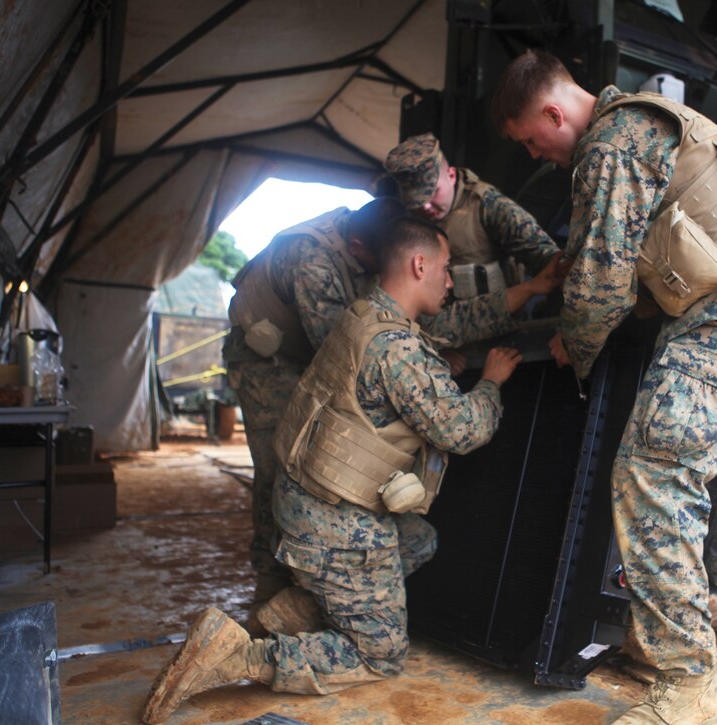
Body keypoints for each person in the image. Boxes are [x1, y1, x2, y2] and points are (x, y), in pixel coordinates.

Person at [492, 51, 717, 724]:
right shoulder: (635, 126)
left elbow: (602, 283)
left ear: (552, 113)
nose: (537, 154)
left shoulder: (612, 141)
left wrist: (574, 344)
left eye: (530, 139)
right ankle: (668, 644)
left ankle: (689, 688)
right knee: (664, 474)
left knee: (654, 475)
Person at [143, 218, 539, 723]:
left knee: (418, 540)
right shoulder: (396, 349)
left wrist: (443, 362)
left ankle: (287, 613)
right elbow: (462, 431)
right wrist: (491, 383)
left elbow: (403, 372)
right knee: (381, 654)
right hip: (335, 522)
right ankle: (233, 655)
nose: (449, 281)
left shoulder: (364, 314)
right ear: (420, 265)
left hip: (309, 502)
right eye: (445, 269)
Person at [226, 196, 564, 611]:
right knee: (282, 463)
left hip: (326, 476)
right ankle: (273, 590)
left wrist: (527, 290)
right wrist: (471, 377)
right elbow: (449, 420)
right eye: (445, 269)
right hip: (271, 365)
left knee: (410, 537)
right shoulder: (314, 263)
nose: (450, 280)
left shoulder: (375, 304)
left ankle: (310, 599)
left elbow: (431, 325)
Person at [384, 132, 560, 300]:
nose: (426, 206)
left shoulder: (488, 205)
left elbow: (550, 261)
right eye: (417, 201)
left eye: (433, 193)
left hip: (497, 325)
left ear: (451, 175)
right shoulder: (406, 218)